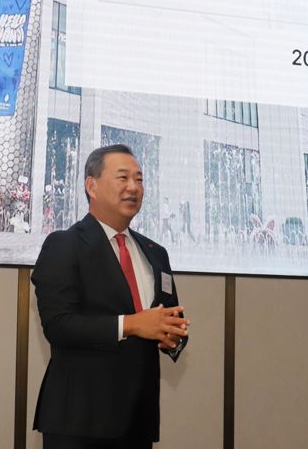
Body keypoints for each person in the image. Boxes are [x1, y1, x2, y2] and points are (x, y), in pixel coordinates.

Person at [31, 144, 190, 449]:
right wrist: (132, 324)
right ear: (91, 186)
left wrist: (173, 337)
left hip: (138, 420)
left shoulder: (155, 253)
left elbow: (168, 319)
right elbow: (59, 325)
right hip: (80, 420)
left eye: (139, 179)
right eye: (123, 177)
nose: (134, 187)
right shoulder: (64, 245)